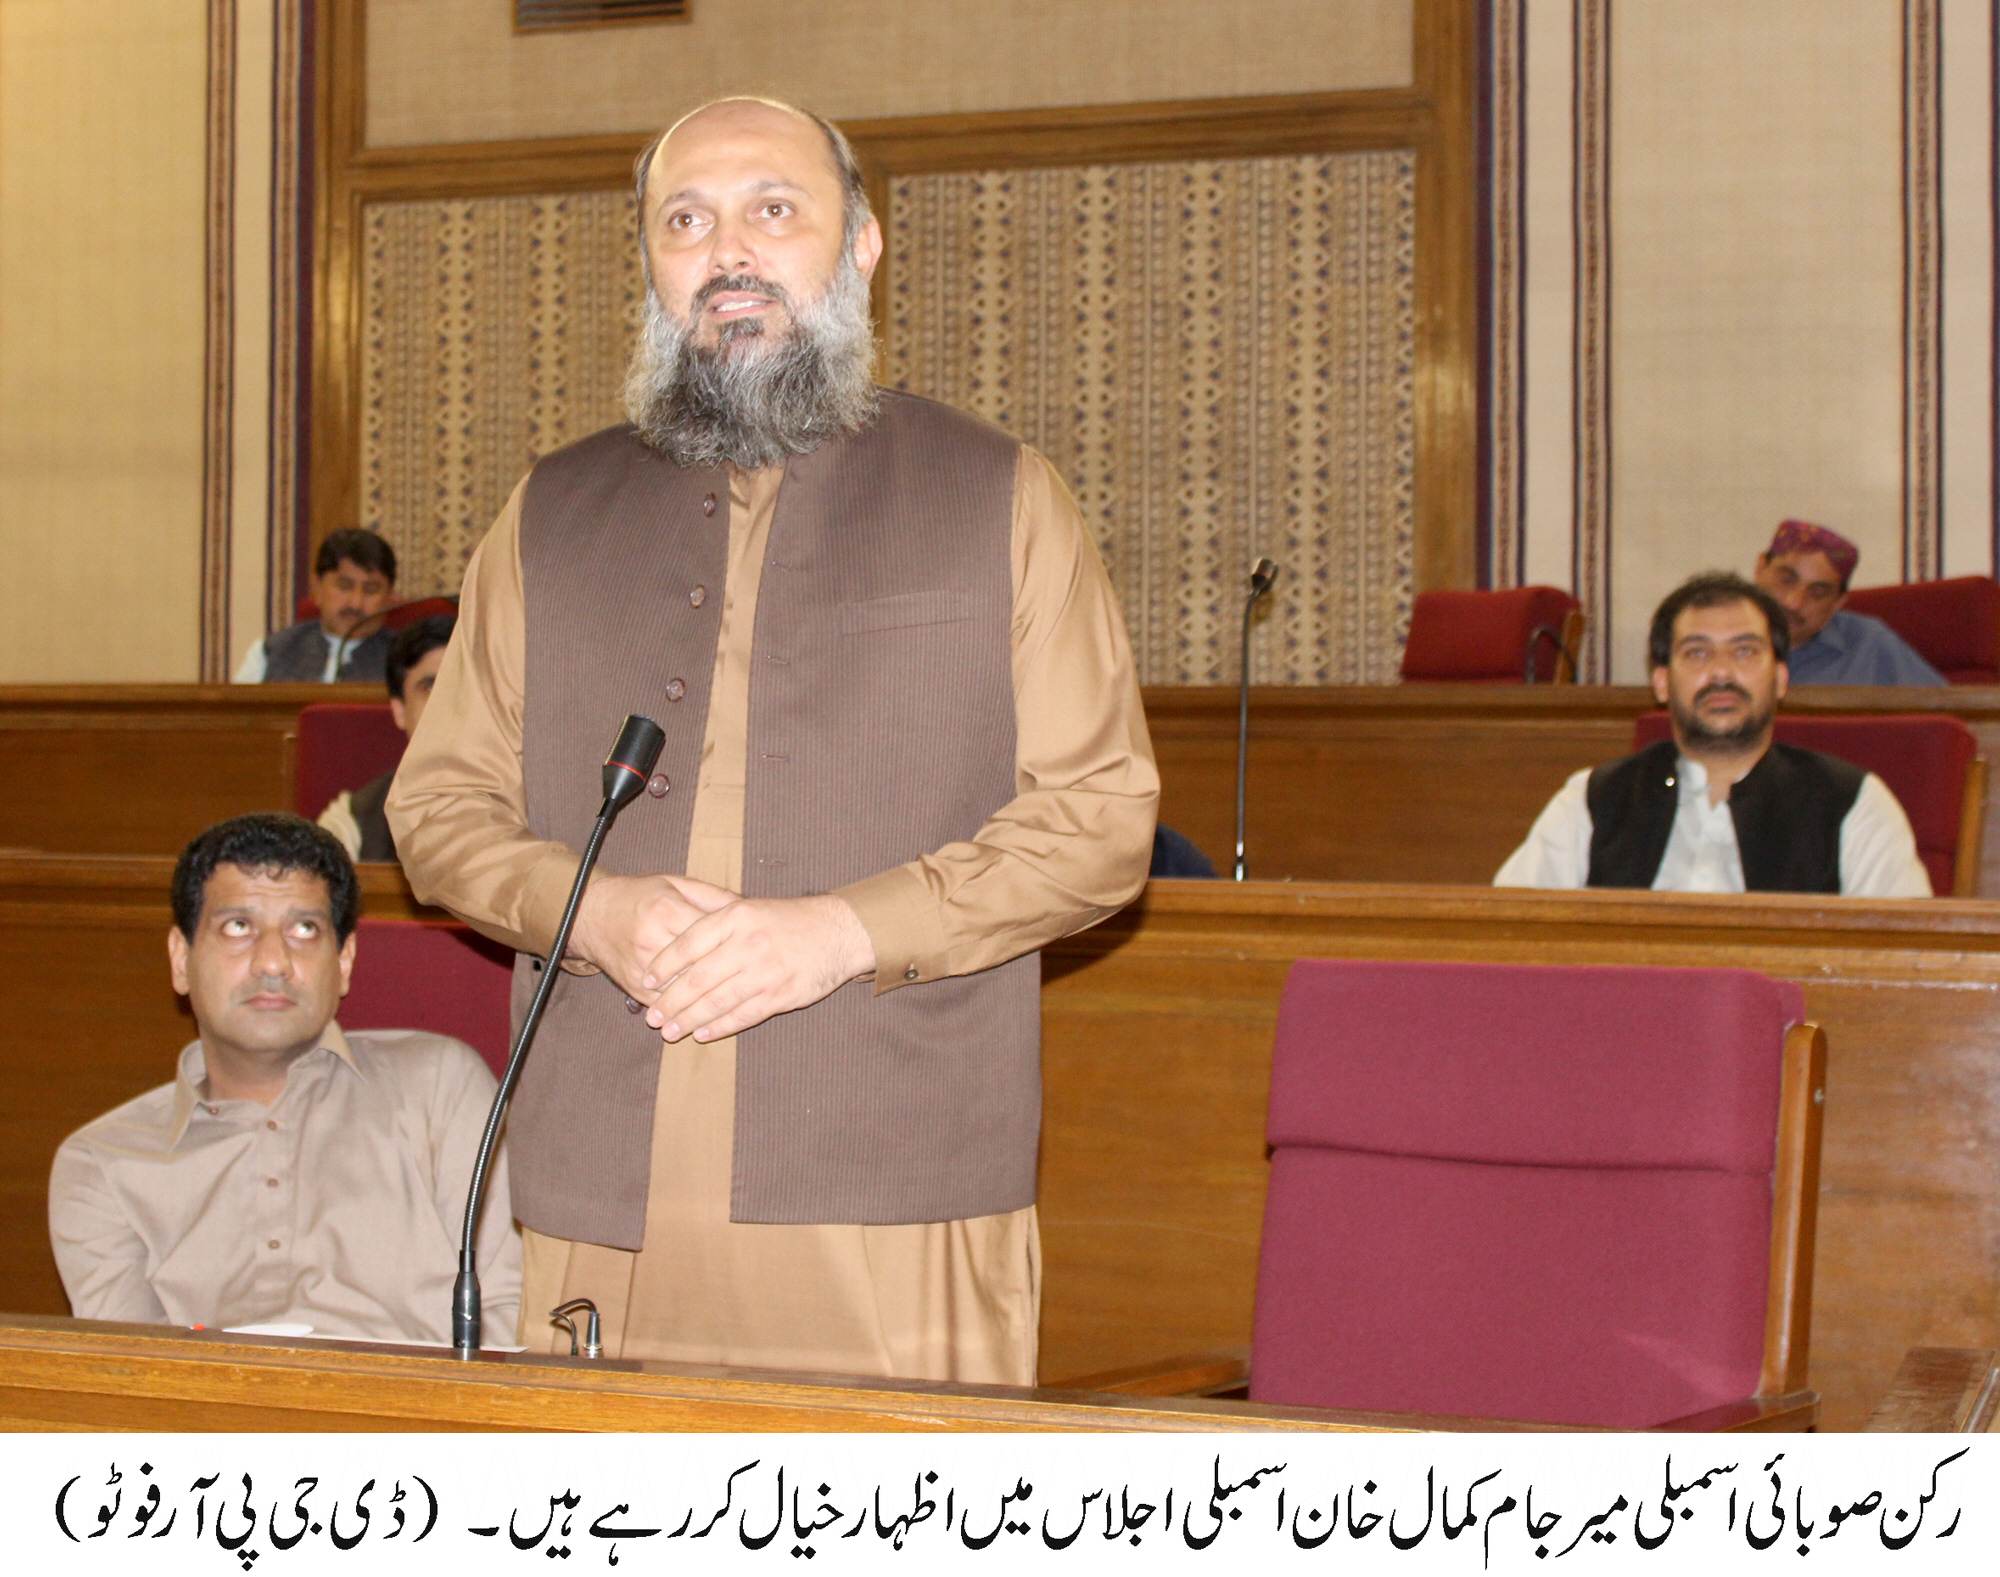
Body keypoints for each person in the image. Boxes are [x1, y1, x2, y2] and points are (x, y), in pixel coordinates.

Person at [388, 96, 1156, 1381]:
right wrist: (595, 916)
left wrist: (840, 930)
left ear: (859, 246)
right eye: (685, 220)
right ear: (649, 267)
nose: (726, 249)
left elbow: (1097, 822)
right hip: (602, 1190)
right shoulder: (550, 512)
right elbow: (439, 809)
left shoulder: (997, 494)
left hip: (896, 1172)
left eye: (772, 209)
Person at [48, 814, 520, 1344]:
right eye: (238, 927)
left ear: (343, 962)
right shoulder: (102, 1166)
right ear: (181, 960)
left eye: (303, 930)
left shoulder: (439, 1087)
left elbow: (508, 1313)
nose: (272, 962)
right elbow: (130, 1382)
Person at [1495, 572, 1930, 896]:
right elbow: (1510, 930)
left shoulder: (1854, 804)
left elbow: (1903, 960)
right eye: (1697, 652)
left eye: (1745, 651)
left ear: (1780, 679)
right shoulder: (1593, 798)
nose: (1721, 672)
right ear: (1662, 683)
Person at [318, 614, 454, 863]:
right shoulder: (352, 821)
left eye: (461, 685)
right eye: (430, 687)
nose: (447, 704)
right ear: (400, 710)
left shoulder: (533, 806)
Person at [1752, 519, 1945, 685]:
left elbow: (1952, 716)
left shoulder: (1869, 645)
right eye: (1786, 580)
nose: (1794, 602)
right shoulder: (1722, 629)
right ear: (1760, 568)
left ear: (1839, 602)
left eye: (1817, 593)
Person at [233, 529, 400, 684]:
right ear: (317, 589)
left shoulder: (413, 659)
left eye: (371, 589)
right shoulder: (269, 652)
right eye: (344, 586)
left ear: (389, 597)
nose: (356, 603)